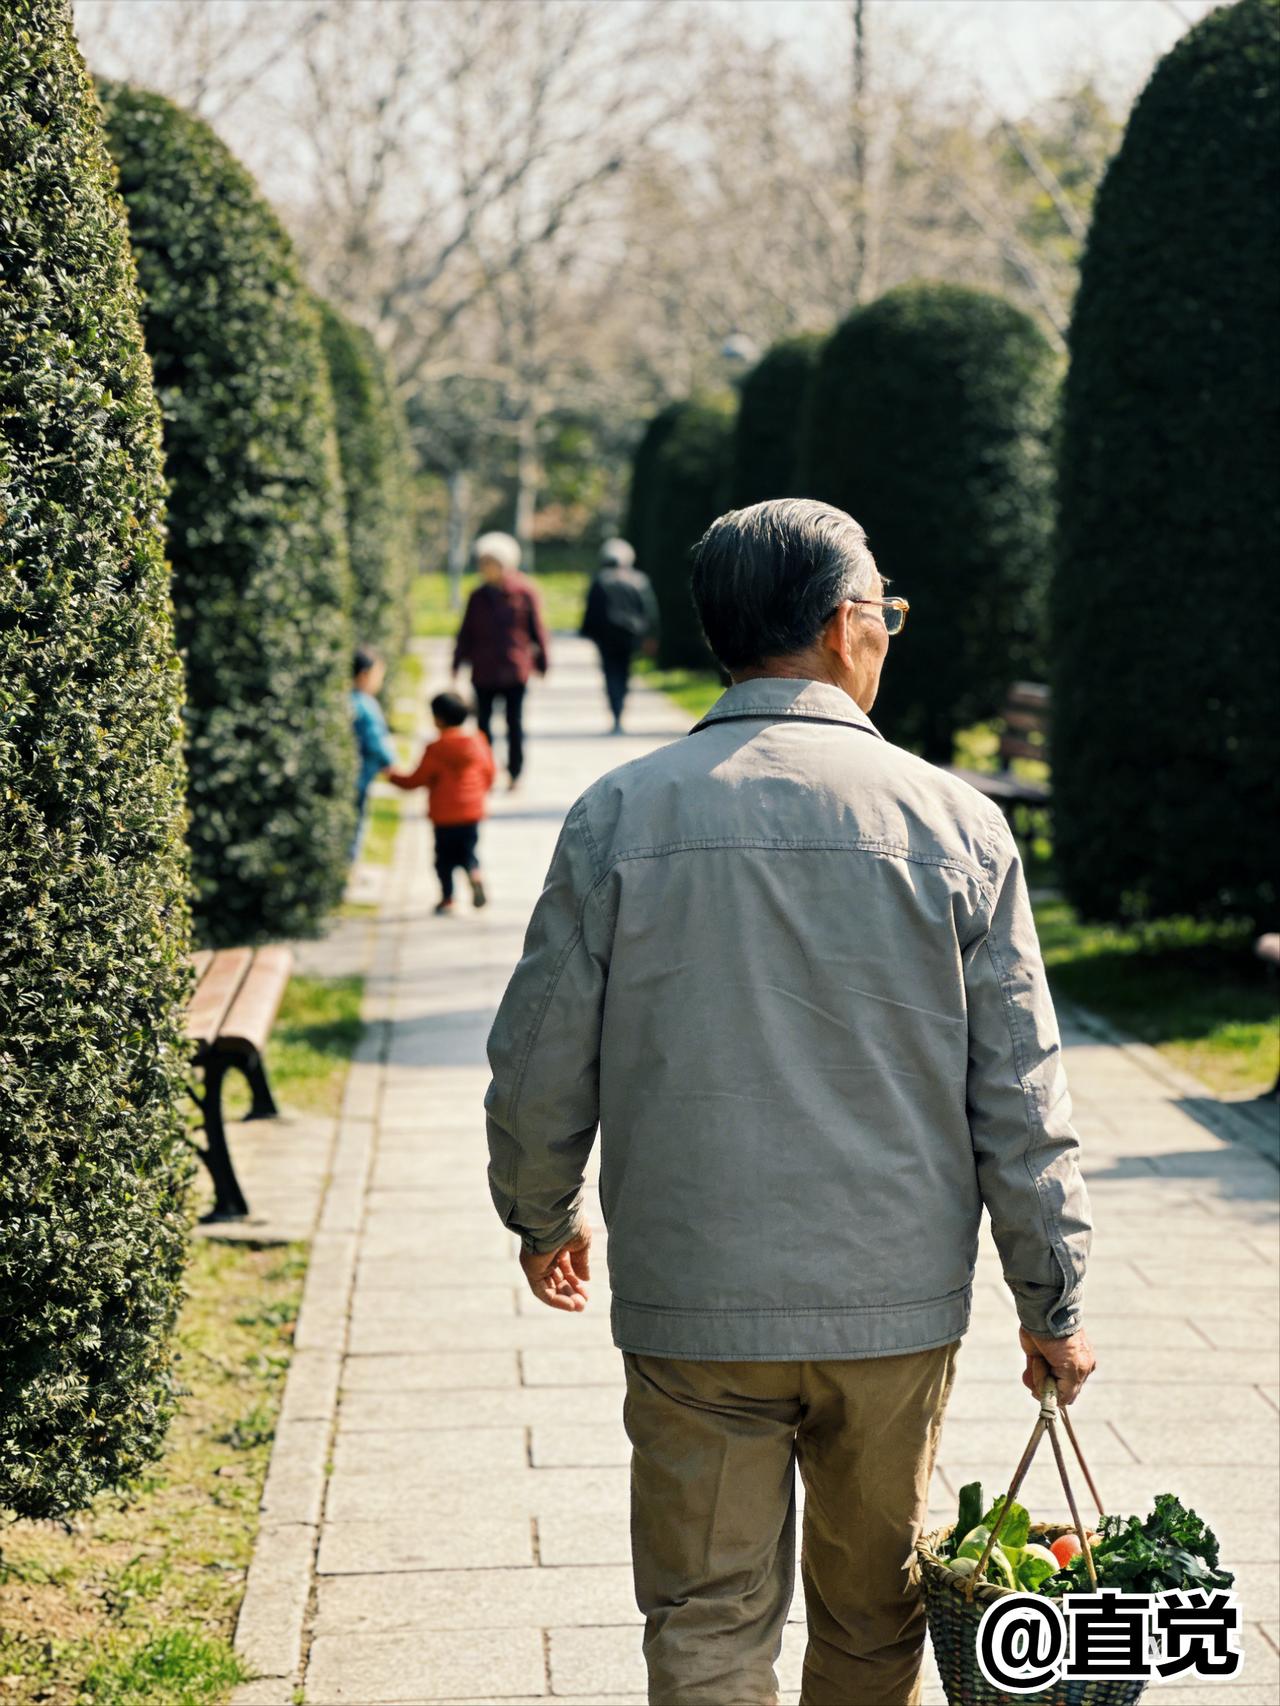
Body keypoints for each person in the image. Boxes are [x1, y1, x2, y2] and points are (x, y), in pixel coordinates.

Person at [484, 498, 1094, 1706]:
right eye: (883, 613)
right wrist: (1052, 1290)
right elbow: (1019, 1092)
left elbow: (538, 1051)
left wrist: (540, 1208)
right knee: (873, 1617)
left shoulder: (620, 812)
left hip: (693, 1299)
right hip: (892, 1303)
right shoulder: (954, 823)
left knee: (705, 1616)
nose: (886, 634)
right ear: (836, 624)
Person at [451, 531, 549, 790]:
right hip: (483, 669)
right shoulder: (477, 596)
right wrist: (456, 662)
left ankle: (515, 771)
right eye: (482, 563)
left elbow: (537, 629)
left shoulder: (524, 593)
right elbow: (466, 632)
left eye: (490, 563)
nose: (485, 569)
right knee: (483, 725)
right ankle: (486, 770)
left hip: (514, 668)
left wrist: (543, 662)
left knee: (513, 723)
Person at [389, 691, 496, 915]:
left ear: (437, 719)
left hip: (444, 816)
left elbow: (417, 779)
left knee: (443, 859)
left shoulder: (436, 749)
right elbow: (489, 772)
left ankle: (447, 899)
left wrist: (392, 776)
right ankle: (474, 874)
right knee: (468, 851)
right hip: (471, 813)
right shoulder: (478, 741)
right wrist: (480, 794)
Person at [580, 537, 659, 733]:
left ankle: (615, 710)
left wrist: (587, 632)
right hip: (630, 635)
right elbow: (649, 610)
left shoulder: (600, 580)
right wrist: (650, 635)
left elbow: (591, 610)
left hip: (606, 637)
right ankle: (620, 709)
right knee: (624, 673)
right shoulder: (639, 580)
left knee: (610, 673)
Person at [350, 645, 395, 861]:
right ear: (364, 675)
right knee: (357, 820)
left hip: (351, 773)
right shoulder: (366, 705)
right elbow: (375, 739)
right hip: (362, 774)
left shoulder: (347, 700)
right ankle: (350, 863)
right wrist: (390, 763)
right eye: (378, 675)